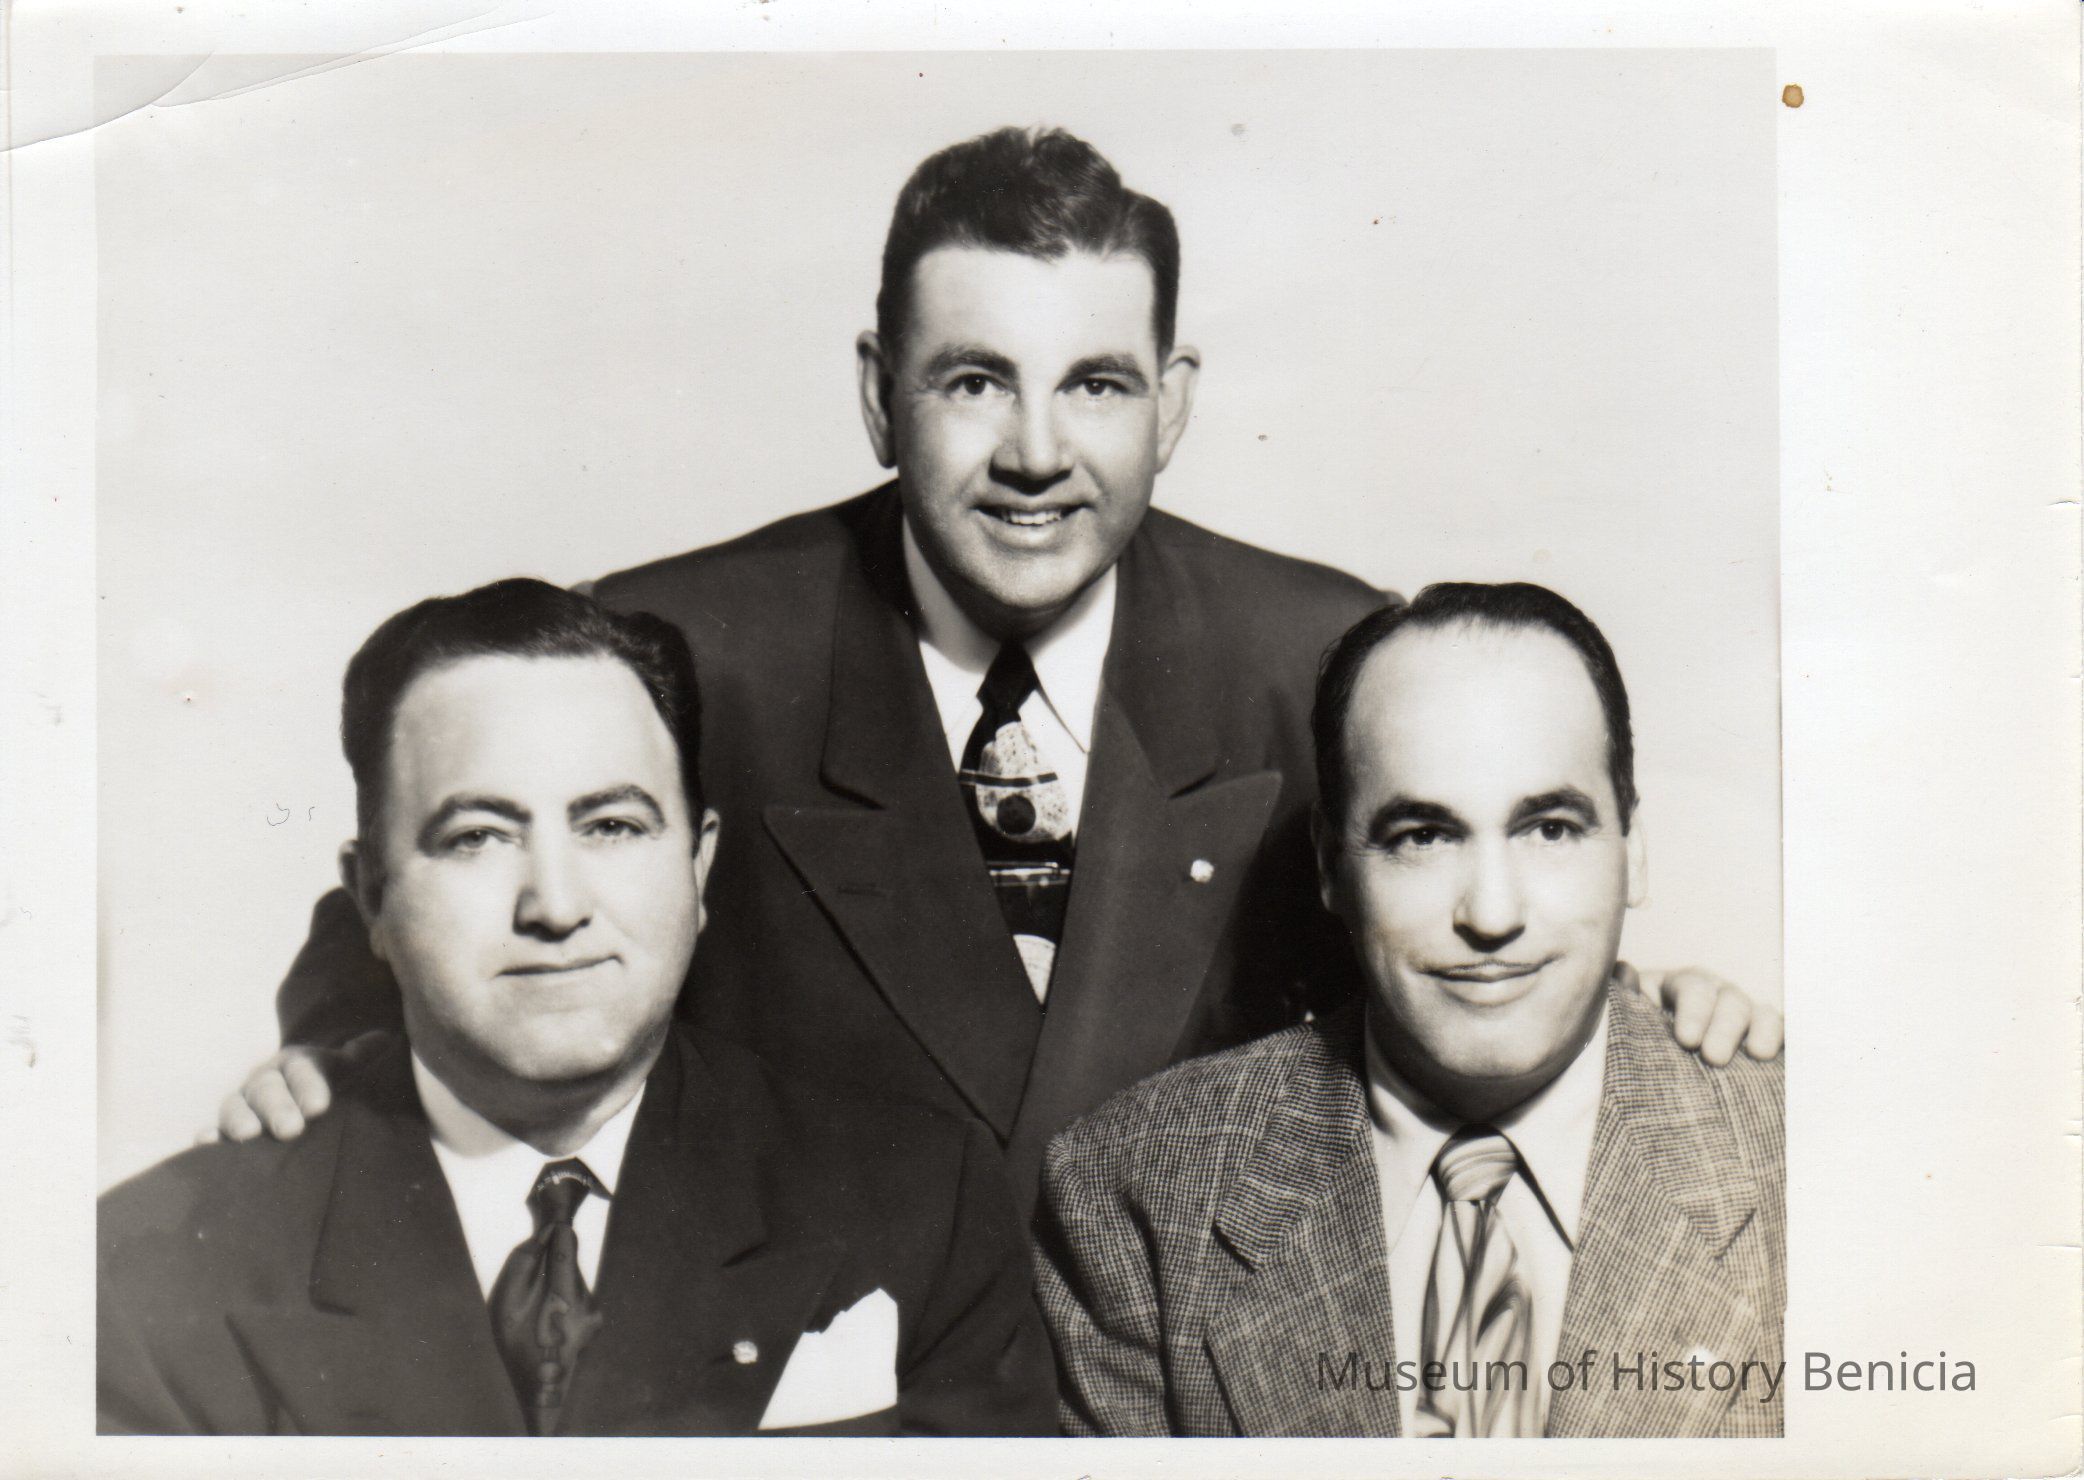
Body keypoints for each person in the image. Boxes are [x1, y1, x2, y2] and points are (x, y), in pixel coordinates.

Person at [223, 127, 1779, 1218]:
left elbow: (1476, 939)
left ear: (1172, 405)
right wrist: (330, 1071)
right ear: (879, 397)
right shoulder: (678, 650)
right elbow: (420, 922)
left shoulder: (1320, 654)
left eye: (1095, 386)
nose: (1037, 454)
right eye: (974, 382)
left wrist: (1647, 1013)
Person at [99, 580, 1054, 1437]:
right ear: (370, 898)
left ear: (699, 867)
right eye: (477, 837)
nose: (555, 906)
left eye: (612, 826)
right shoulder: (146, 1275)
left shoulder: (920, 1206)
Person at [1035, 583, 1785, 1438]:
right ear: (1331, 867)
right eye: (1423, 837)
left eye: (1549, 829)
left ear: (1633, 849)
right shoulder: (1134, 1190)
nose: (1492, 915)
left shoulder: (1812, 1160)